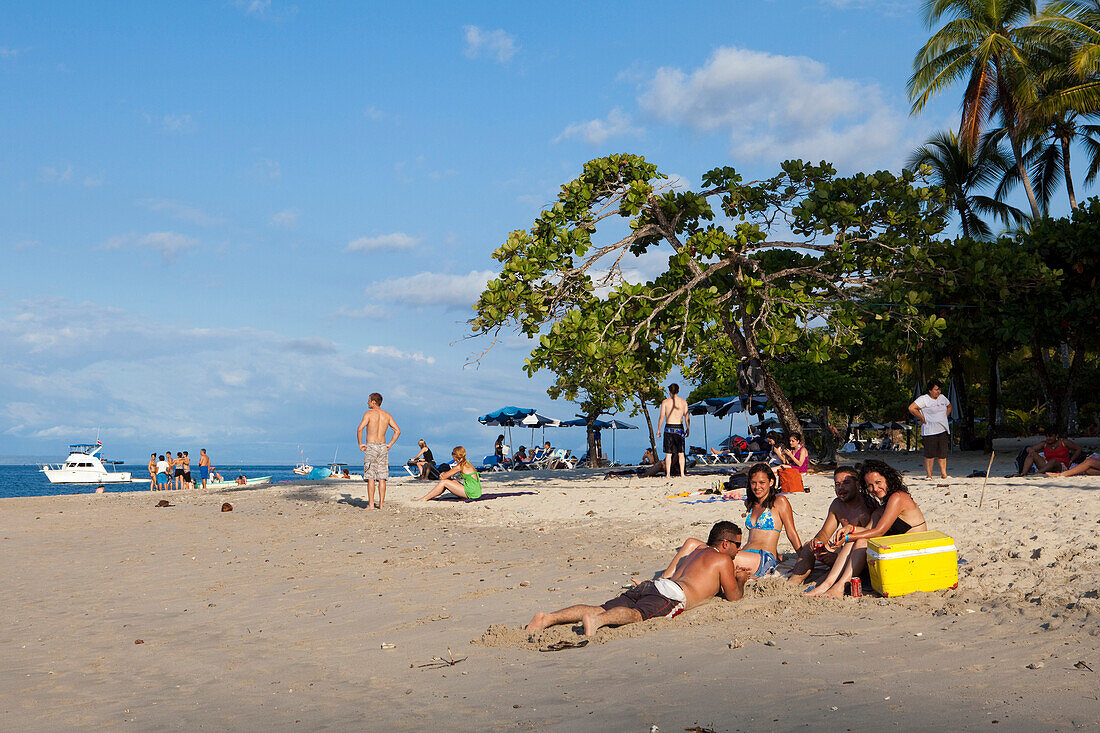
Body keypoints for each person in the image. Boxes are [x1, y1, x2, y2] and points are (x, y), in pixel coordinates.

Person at [525, 521, 747, 636]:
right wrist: (741, 580)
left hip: (655, 585)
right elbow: (734, 597)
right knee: (637, 615)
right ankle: (597, 622)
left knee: (599, 606)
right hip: (672, 596)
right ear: (725, 544)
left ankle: (547, 618)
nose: (739, 549)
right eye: (737, 545)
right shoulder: (723, 560)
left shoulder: (697, 550)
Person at [806, 459, 927, 598]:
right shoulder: (882, 508)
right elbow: (867, 530)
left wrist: (849, 536)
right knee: (855, 540)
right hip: (899, 549)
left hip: (915, 551)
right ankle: (827, 585)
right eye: (869, 485)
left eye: (878, 482)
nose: (874, 489)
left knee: (860, 541)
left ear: (888, 479)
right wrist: (850, 529)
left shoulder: (898, 498)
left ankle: (840, 586)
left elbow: (879, 531)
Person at [788, 467, 877, 585]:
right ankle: (794, 581)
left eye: (846, 483)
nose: (841, 488)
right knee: (809, 546)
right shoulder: (837, 505)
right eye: (837, 484)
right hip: (843, 551)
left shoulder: (868, 506)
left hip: (863, 556)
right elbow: (825, 532)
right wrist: (818, 542)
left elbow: (871, 538)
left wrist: (836, 557)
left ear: (857, 484)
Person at [734, 464, 802, 579]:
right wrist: (779, 556)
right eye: (753, 483)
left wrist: (803, 560)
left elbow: (791, 533)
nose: (757, 487)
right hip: (747, 554)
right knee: (693, 544)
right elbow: (761, 536)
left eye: (762, 482)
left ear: (771, 482)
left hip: (764, 558)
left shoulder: (780, 501)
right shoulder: (750, 503)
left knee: (720, 558)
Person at [356, 392, 401, 510]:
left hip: (371, 446)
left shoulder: (369, 414)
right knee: (382, 477)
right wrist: (390, 444)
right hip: (382, 446)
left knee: (371, 476)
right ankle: (381, 504)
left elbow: (360, 429)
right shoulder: (387, 415)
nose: (367, 402)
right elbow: (397, 431)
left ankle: (371, 505)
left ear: (374, 402)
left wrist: (360, 444)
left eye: (369, 400)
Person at [908, 379, 952, 479]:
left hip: (943, 429)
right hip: (930, 430)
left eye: (939, 389)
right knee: (930, 454)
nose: (938, 392)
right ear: (930, 390)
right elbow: (911, 408)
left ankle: (944, 474)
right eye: (936, 389)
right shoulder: (924, 399)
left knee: (942, 453)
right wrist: (921, 417)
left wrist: (945, 416)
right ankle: (929, 475)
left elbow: (949, 406)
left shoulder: (942, 398)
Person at [413, 446, 482, 501]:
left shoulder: (460, 466)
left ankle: (425, 498)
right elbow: (448, 475)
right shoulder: (467, 463)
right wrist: (445, 475)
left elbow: (443, 477)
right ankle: (427, 497)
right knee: (452, 481)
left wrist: (443, 474)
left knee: (444, 482)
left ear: (454, 455)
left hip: (472, 492)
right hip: (476, 491)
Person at [658, 383, 690, 478]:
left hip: (668, 428)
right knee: (681, 453)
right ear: (678, 391)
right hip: (679, 428)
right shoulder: (683, 402)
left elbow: (661, 417)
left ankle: (668, 474)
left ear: (669, 391)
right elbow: (687, 417)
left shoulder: (665, 402)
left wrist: (658, 429)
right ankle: (682, 474)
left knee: (669, 453)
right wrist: (688, 428)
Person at [1018, 429, 1082, 475]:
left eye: (1050, 436)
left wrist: (1071, 460)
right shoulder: (1044, 443)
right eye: (1047, 436)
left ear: (1056, 436)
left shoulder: (1064, 442)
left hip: (1061, 466)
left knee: (1053, 461)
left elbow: (1078, 449)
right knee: (1032, 454)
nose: (1048, 438)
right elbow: (1029, 448)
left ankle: (1037, 473)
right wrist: (1030, 450)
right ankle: (1023, 473)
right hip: (1047, 465)